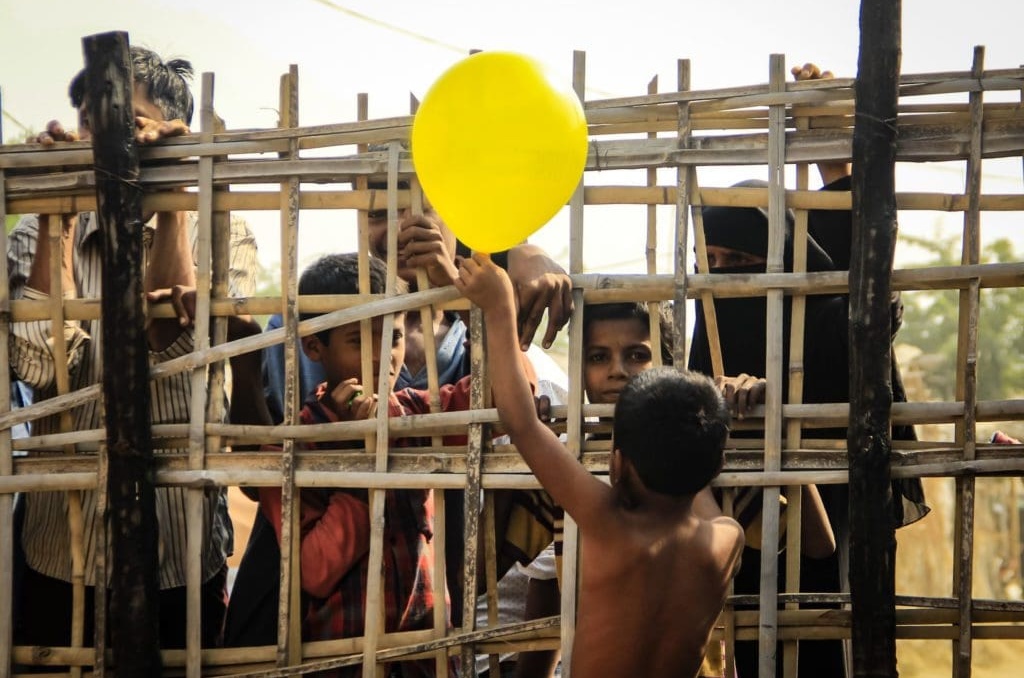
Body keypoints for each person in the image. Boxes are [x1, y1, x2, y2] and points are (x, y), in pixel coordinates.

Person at [8, 46, 261, 654]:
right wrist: (58, 218)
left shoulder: (224, 228)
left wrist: (173, 202)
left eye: (126, 120)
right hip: (59, 546)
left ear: (171, 132)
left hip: (180, 549)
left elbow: (170, 347)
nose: (100, 139)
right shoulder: (35, 230)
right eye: (89, 121)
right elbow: (43, 364)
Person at [687, 62, 928, 678]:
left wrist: (833, 167)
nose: (725, 276)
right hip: (740, 543)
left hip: (837, 533)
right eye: (711, 261)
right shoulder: (708, 335)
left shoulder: (823, 324)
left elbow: (861, 283)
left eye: (740, 259)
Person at [456, 252, 746, 678]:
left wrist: (499, 308)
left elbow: (522, 424)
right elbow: (701, 485)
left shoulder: (606, 523)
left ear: (615, 465)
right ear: (716, 462)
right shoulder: (727, 539)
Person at [251, 252, 540, 677]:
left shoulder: (420, 415)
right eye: (359, 341)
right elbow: (315, 570)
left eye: (395, 337)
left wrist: (479, 309)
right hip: (340, 664)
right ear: (314, 346)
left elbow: (514, 395)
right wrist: (362, 458)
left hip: (425, 659)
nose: (384, 357)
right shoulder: (290, 449)